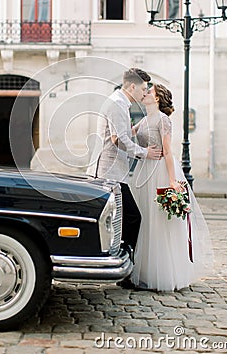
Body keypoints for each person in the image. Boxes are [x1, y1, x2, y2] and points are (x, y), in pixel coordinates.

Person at [130, 84, 213, 291]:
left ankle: (161, 274)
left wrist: (172, 180)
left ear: (157, 99)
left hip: (158, 170)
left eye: (150, 92)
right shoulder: (144, 119)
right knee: (144, 219)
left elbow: (167, 152)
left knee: (157, 222)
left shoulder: (162, 119)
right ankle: (143, 271)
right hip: (143, 170)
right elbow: (127, 135)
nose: (146, 93)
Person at [87, 68, 162, 287]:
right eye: (143, 88)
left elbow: (123, 133)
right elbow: (118, 139)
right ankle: (125, 272)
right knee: (132, 218)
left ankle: (119, 267)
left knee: (117, 220)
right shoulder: (117, 104)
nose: (144, 92)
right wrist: (144, 153)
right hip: (109, 173)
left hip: (113, 172)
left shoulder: (119, 103)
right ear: (132, 87)